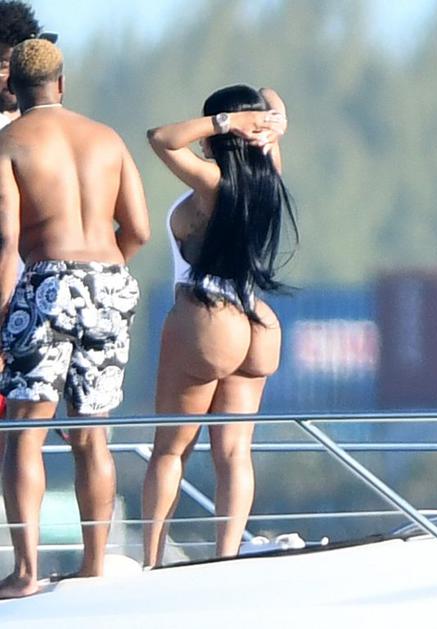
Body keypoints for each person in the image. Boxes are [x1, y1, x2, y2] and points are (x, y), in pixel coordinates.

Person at [0, 38, 150, 599]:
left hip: (47, 280)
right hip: (111, 280)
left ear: (12, 87)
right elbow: (138, 230)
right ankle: (93, 566)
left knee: (25, 432)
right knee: (92, 434)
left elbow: (6, 242)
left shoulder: (9, 142)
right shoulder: (106, 138)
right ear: (61, 84)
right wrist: (100, 277)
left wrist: (5, 312)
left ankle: (25, 571)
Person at [143, 84, 298, 566]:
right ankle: (226, 557)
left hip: (206, 314)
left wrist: (226, 123)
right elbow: (271, 94)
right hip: (257, 318)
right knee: (234, 453)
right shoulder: (268, 172)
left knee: (171, 451)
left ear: (216, 138)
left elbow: (161, 138)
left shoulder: (213, 182)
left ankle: (153, 560)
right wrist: (271, 127)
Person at [0, 0, 42, 463]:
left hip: (34, 296)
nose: (11, 79)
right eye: (3, 67)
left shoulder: (41, 128)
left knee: (20, 430)